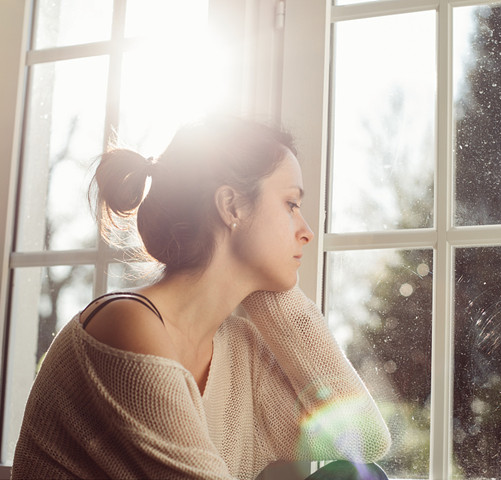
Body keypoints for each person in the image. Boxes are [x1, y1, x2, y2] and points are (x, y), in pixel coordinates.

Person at [11, 116, 391, 480]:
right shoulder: (126, 325)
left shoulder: (240, 349)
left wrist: (271, 292)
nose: (306, 231)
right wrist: (257, 269)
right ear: (232, 206)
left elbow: (364, 439)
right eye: (291, 204)